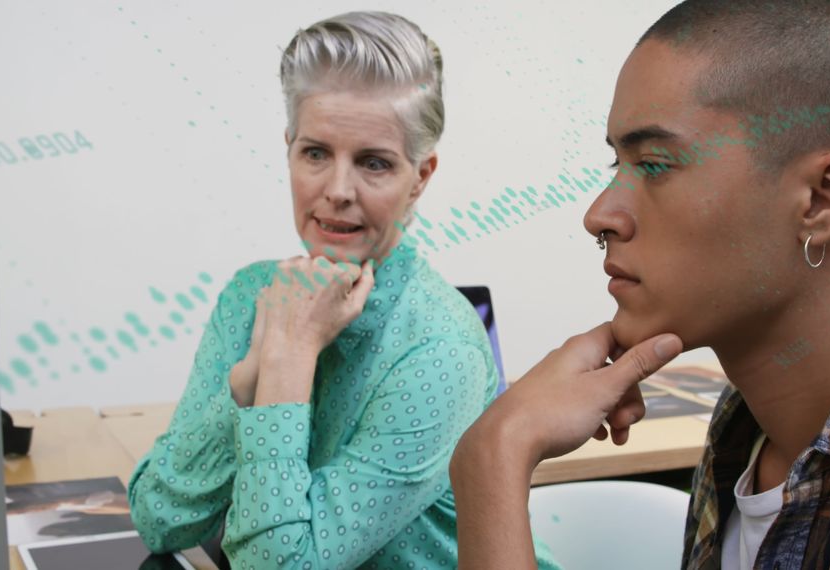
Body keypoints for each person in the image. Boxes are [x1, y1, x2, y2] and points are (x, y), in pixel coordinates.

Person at [450, 1, 830, 568]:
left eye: (655, 165)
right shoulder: (745, 426)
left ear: (824, 198)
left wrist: (494, 457)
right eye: (615, 166)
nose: (600, 216)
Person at [127, 11, 558, 569]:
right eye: (315, 154)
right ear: (289, 150)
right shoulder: (250, 295)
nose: (336, 191)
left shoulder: (440, 351)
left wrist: (288, 357)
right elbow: (159, 519)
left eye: (374, 163)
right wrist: (248, 374)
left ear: (420, 177)